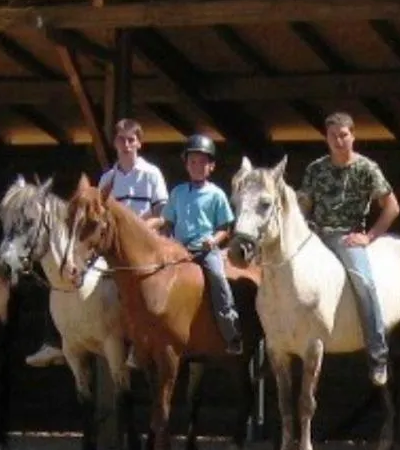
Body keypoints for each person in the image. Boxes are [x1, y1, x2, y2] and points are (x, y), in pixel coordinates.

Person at [25, 117, 169, 368]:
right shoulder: (106, 179)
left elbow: (162, 215)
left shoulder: (152, 174)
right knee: (64, 271)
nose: (126, 145)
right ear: (115, 143)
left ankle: (137, 343)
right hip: (108, 243)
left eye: (131, 140)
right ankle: (55, 342)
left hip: (141, 244)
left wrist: (140, 231)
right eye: (121, 140)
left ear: (139, 143)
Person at [298, 111, 399, 387]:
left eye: (344, 135)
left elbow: (392, 207)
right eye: (333, 136)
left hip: (347, 238)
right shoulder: (315, 169)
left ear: (352, 135)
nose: (339, 141)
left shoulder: (367, 169)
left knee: (365, 283)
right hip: (314, 236)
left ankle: (378, 355)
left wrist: (370, 236)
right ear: (327, 139)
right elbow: (302, 206)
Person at [152, 133, 243, 355]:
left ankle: (231, 332)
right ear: (186, 165)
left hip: (205, 249)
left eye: (202, 162)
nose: (197, 166)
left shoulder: (217, 195)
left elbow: (225, 228)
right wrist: (151, 227)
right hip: (179, 249)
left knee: (219, 280)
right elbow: (167, 220)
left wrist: (213, 240)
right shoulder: (178, 192)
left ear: (211, 166)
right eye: (192, 162)